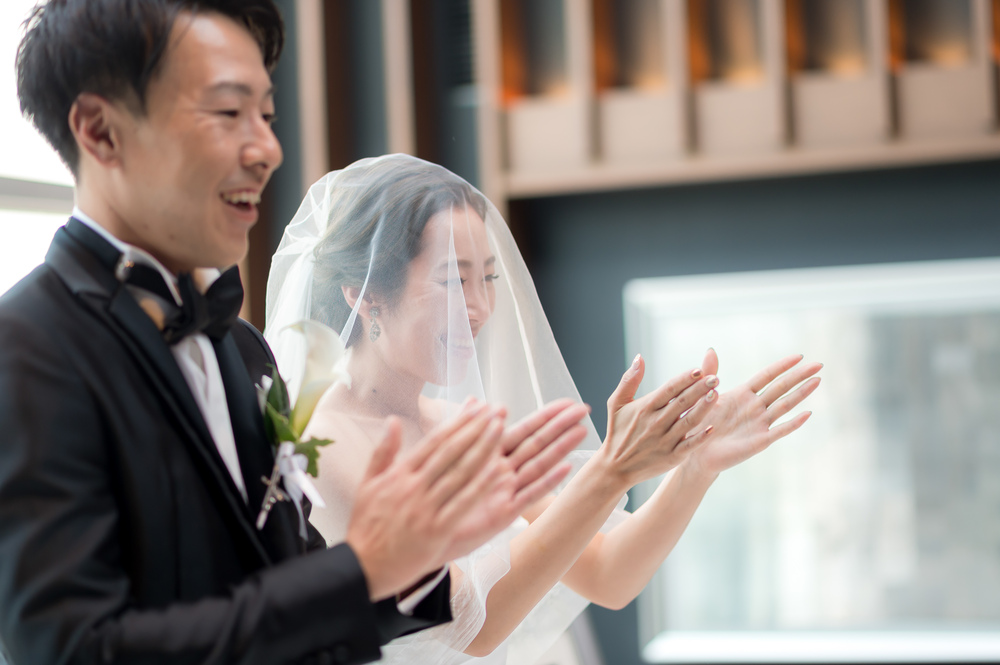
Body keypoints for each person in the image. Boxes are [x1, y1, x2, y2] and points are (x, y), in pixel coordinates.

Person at [0, 3, 585, 664]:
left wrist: (413, 555)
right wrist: (364, 567)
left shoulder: (243, 349)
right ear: (100, 131)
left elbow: (293, 582)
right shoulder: (25, 351)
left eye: (267, 116)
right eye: (228, 113)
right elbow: (75, 649)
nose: (267, 150)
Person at [264, 154, 822, 664]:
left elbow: (608, 575)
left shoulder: (462, 427)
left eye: (487, 279)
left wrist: (695, 469)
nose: (479, 308)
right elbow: (469, 625)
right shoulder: (321, 443)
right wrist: (611, 469)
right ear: (364, 294)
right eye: (453, 281)